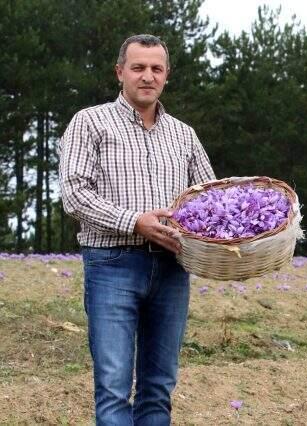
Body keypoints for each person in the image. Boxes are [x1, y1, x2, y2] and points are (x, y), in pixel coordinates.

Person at [58, 34, 215, 425]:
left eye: (156, 68)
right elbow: (74, 195)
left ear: (166, 75)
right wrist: (135, 222)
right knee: (113, 387)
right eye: (138, 67)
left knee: (158, 387)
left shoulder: (184, 134)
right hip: (112, 265)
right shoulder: (89, 122)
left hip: (171, 268)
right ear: (120, 72)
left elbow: (209, 199)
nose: (147, 76)